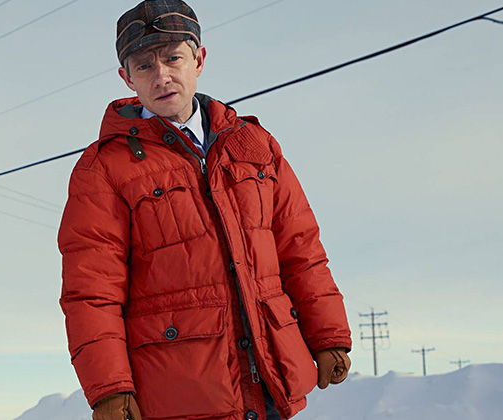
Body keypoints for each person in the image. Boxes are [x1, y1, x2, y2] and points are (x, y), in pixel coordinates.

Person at [57, 1, 352, 419]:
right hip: (181, 392)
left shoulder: (255, 144)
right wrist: (109, 387)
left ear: (199, 59)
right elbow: (91, 290)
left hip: (270, 381)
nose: (161, 76)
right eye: (144, 66)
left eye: (172, 58)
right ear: (127, 77)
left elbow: (300, 249)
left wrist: (326, 333)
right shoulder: (103, 168)